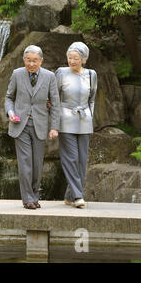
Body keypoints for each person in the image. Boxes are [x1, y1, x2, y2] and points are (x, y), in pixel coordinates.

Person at [5, 45, 60, 209]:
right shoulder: (17, 74)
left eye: (35, 60)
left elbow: (55, 104)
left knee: (37, 165)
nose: (31, 64)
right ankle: (28, 199)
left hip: (40, 125)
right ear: (24, 60)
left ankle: (34, 197)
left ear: (41, 61)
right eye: (28, 60)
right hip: (20, 125)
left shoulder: (50, 77)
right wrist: (10, 112)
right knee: (25, 164)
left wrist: (54, 127)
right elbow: (9, 97)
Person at [55, 42, 97, 208]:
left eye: (76, 58)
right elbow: (55, 96)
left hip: (84, 121)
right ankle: (78, 196)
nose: (72, 61)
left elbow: (92, 99)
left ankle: (69, 196)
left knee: (81, 159)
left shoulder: (92, 74)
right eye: (69, 57)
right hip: (65, 119)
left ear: (84, 59)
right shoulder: (61, 72)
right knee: (71, 158)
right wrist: (55, 120)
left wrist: (90, 116)